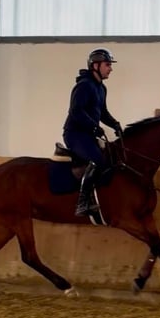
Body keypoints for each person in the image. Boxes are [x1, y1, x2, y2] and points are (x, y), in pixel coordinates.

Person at [63, 48, 123, 216]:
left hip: (88, 134)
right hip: (75, 134)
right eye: (107, 65)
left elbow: (102, 113)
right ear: (95, 65)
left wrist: (115, 124)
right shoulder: (84, 86)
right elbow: (76, 111)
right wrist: (93, 126)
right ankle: (82, 203)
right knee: (97, 160)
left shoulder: (101, 88)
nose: (110, 69)